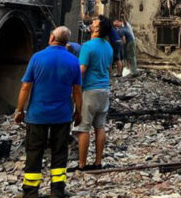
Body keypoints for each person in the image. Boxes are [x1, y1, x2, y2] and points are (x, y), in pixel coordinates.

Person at [14, 26, 82, 198]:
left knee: (34, 152)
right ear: (66, 41)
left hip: (37, 115)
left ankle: (31, 192)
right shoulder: (73, 61)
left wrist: (19, 110)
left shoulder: (37, 58)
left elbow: (25, 87)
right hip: (62, 115)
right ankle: (57, 191)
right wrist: (78, 112)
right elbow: (77, 91)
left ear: (52, 37)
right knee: (59, 152)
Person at [74, 16, 114, 170]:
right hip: (104, 89)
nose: (92, 23)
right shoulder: (108, 47)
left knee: (83, 128)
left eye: (95, 22)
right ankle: (98, 162)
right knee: (100, 126)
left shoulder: (88, 46)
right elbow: (109, 69)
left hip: (89, 89)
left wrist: (70, 82)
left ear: (98, 29)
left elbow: (82, 69)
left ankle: (82, 164)